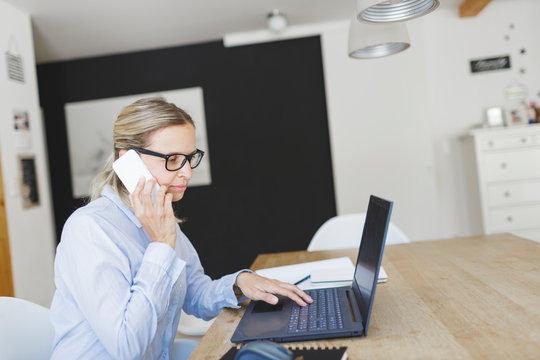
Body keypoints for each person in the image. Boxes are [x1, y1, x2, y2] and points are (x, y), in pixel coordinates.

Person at [49, 97, 313, 359]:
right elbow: (127, 346)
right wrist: (161, 245)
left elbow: (195, 293)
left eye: (189, 158)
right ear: (128, 161)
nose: (187, 172)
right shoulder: (90, 229)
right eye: (173, 159)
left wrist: (239, 283)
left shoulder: (159, 216)